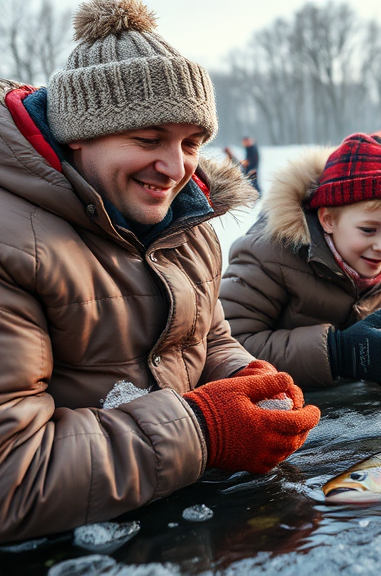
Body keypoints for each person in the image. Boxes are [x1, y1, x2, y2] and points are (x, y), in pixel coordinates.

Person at [0, 0, 320, 543]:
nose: (175, 169)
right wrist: (204, 429)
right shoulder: (13, 242)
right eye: (148, 140)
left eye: (191, 144)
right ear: (77, 133)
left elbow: (207, 332)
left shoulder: (187, 224)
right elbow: (12, 479)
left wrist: (242, 376)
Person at [220, 134, 381, 392]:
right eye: (368, 230)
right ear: (328, 220)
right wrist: (338, 353)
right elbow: (227, 348)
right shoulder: (268, 255)